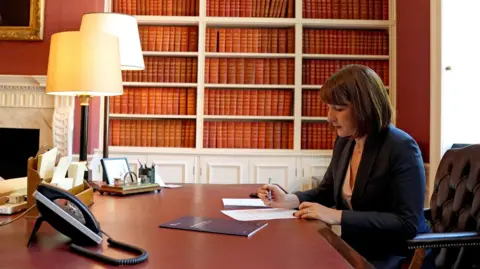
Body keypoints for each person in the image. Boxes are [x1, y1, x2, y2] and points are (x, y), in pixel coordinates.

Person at [257, 64, 430, 269]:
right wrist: (288, 199)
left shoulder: (401, 147)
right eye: (329, 107)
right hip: (353, 248)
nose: (329, 117)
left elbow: (406, 223)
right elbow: (328, 191)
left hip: (394, 255)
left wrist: (336, 215)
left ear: (365, 107)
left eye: (338, 109)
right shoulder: (346, 141)